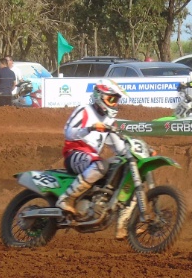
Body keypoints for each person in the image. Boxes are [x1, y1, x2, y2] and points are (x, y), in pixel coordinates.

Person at [57, 80, 135, 239]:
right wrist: (91, 128)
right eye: (111, 99)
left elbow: (120, 148)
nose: (114, 104)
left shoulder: (109, 121)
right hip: (75, 152)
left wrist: (135, 151)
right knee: (100, 165)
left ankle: (123, 224)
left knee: (125, 166)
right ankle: (67, 199)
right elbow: (69, 133)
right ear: (100, 96)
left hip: (92, 158)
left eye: (116, 100)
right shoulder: (84, 110)